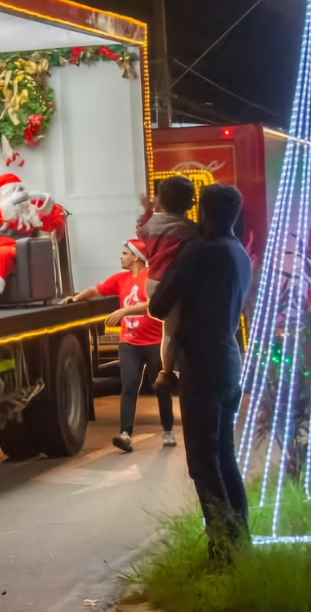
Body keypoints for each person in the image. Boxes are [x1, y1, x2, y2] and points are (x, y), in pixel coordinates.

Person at [149, 184, 252, 564]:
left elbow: (159, 306)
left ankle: (224, 554)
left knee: (203, 465)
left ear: (204, 215)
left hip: (202, 367)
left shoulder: (200, 253)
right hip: (228, 360)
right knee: (224, 457)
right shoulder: (238, 252)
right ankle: (241, 543)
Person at [64, 239, 176, 451]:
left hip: (153, 343)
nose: (121, 257)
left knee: (160, 387)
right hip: (129, 343)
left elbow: (153, 304)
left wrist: (125, 311)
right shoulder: (120, 279)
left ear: (135, 257)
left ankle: (168, 431)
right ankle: (126, 434)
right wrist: (75, 299)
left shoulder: (150, 278)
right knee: (129, 387)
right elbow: (95, 290)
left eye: (124, 253)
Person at [137, 176, 198, 375]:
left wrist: (148, 210)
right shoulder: (190, 229)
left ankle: (168, 369)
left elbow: (142, 232)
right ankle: (169, 371)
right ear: (189, 203)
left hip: (153, 282)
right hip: (173, 284)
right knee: (173, 330)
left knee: (168, 331)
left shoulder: (151, 225)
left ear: (160, 201)